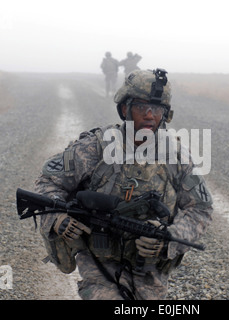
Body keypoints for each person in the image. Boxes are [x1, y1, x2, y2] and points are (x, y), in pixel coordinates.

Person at [34, 68, 213, 300]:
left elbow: (200, 209)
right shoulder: (95, 147)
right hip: (98, 263)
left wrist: (169, 237)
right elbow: (48, 182)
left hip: (150, 271)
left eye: (157, 109)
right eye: (141, 107)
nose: (149, 115)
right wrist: (57, 217)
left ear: (165, 115)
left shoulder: (176, 157)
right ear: (124, 109)